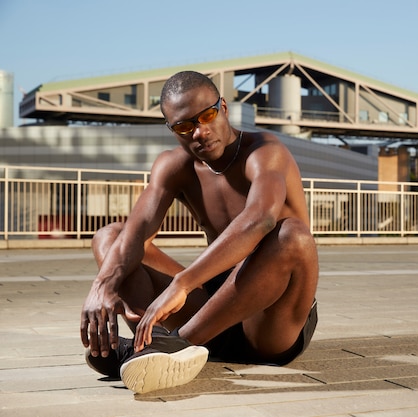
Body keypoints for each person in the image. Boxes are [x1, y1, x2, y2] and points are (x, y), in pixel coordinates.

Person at [80, 70, 319, 394]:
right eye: (184, 126)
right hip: (210, 312)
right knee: (110, 237)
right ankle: (150, 344)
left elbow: (260, 219)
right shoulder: (174, 166)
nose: (200, 132)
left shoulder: (264, 151)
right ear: (172, 130)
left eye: (207, 116)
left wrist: (183, 282)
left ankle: (174, 345)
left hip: (269, 323)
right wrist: (101, 286)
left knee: (292, 236)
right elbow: (136, 235)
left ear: (223, 107)